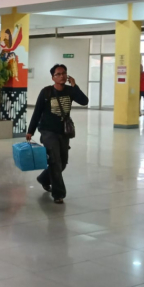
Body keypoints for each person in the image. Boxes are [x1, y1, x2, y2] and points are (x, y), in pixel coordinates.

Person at [27, 64, 89, 204]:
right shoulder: (46, 92)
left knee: (63, 163)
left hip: (63, 131)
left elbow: (84, 101)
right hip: (48, 131)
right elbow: (37, 112)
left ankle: (43, 178)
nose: (62, 76)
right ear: (53, 77)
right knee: (55, 161)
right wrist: (30, 130)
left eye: (64, 73)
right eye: (58, 74)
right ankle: (58, 194)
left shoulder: (70, 91)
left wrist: (75, 86)